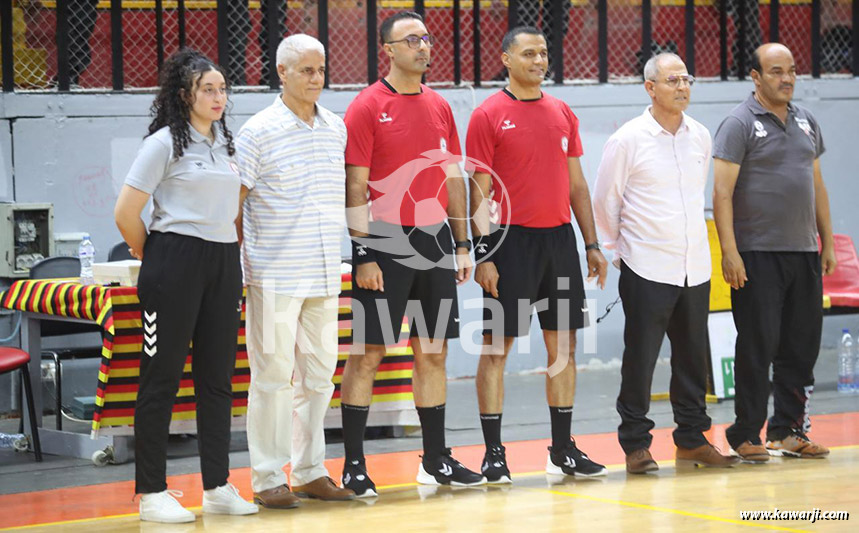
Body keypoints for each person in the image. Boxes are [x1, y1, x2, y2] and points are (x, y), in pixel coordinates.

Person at [339, 11, 482, 497]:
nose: (424, 47)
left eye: (427, 38)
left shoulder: (441, 106)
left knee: (433, 351)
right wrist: (362, 252)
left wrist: (462, 244)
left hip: (435, 240)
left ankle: (437, 459)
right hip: (382, 239)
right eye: (412, 39)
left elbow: (453, 178)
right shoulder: (365, 106)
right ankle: (354, 465)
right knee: (369, 353)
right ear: (390, 50)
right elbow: (355, 185)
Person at [114, 49, 258, 523]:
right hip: (173, 261)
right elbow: (125, 214)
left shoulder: (227, 144)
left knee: (217, 380)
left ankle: (217, 485)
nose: (219, 97)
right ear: (184, 95)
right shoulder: (163, 144)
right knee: (162, 379)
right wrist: (153, 254)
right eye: (208, 90)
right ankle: (152, 492)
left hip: (222, 261)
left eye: (222, 89)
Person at [466, 26, 608, 484]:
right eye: (528, 53)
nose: (539, 60)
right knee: (495, 350)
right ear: (506, 59)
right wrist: (483, 255)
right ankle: (493, 454)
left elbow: (577, 184)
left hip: (559, 240)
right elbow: (477, 192)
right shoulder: (488, 115)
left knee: (563, 349)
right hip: (510, 242)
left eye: (544, 53)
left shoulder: (562, 112)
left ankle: (562, 449)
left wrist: (591, 243)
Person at [593, 53, 739, 474]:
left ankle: (692, 440)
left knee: (693, 359)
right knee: (640, 358)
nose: (682, 87)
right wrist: (617, 251)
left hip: (694, 264)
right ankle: (636, 444)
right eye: (672, 80)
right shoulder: (627, 139)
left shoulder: (701, 136)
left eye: (686, 79)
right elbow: (607, 200)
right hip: (646, 266)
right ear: (650, 88)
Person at [235, 34, 355, 508]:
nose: (316, 78)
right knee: (272, 376)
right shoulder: (257, 132)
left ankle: (309, 470)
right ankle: (267, 477)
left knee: (320, 377)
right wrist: (241, 267)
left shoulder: (335, 127)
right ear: (281, 73)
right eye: (306, 70)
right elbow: (235, 207)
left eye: (321, 69)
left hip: (325, 273)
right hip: (275, 275)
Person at [713, 43, 835, 462]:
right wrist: (730, 252)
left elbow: (816, 185)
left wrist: (827, 241)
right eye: (777, 71)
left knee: (801, 347)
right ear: (756, 77)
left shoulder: (806, 120)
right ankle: (745, 433)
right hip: (757, 254)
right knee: (757, 345)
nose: (787, 79)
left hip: (803, 252)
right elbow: (722, 193)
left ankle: (787, 431)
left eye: (792, 71)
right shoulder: (739, 123)